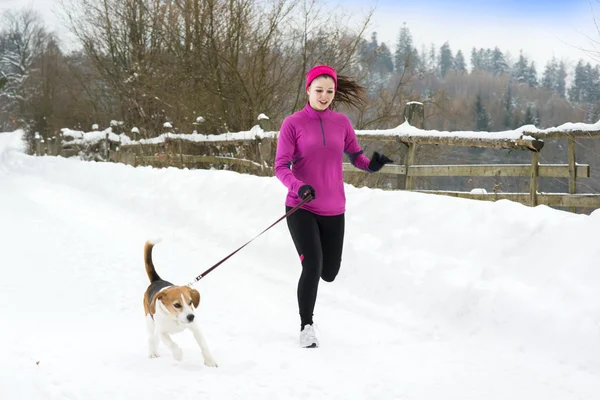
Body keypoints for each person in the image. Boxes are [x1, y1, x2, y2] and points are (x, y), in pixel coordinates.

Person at [274, 65, 392, 348]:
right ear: (308, 90)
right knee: (313, 267)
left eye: (330, 91)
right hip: (301, 206)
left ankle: (310, 309)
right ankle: (307, 326)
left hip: (334, 208)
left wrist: (372, 165)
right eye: (319, 90)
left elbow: (356, 157)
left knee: (329, 272)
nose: (324, 96)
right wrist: (298, 185)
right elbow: (280, 167)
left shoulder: (342, 123)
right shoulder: (293, 123)